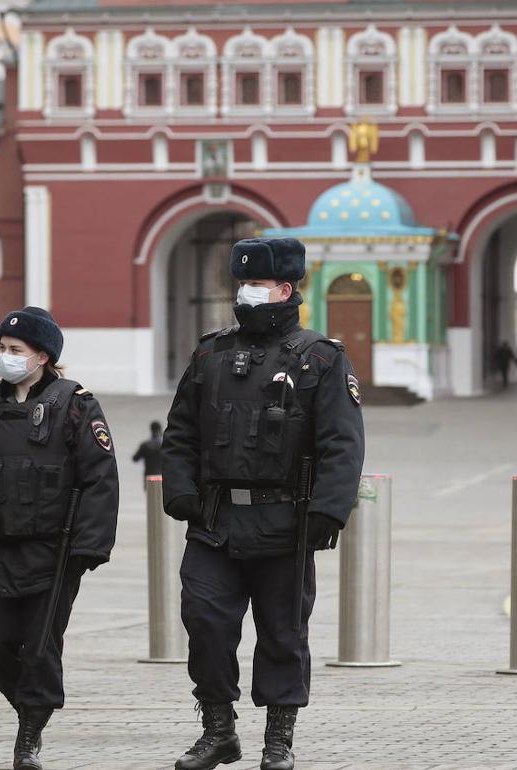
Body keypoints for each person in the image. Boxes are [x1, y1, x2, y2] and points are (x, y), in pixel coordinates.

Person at [160, 237, 365, 770]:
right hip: (215, 520)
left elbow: (342, 443)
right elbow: (180, 431)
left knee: (282, 633)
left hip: (285, 522)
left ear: (286, 289)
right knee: (205, 622)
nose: (246, 293)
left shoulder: (321, 358)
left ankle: (278, 740)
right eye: (242, 283)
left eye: (257, 283)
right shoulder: (211, 353)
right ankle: (218, 732)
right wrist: (180, 491)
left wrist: (327, 511)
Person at [0, 306, 119, 770]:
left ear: (42, 356)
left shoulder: (76, 406)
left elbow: (100, 478)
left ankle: (29, 735)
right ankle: (32, 707)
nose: (5, 356)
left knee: (39, 647)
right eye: (2, 348)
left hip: (52, 554)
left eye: (15, 349)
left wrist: (90, 546)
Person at [133, 420, 165, 487]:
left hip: (149, 476)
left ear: (151, 430)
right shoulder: (165, 445)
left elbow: (135, 459)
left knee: (151, 493)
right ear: (160, 430)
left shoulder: (145, 445)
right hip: (162, 476)